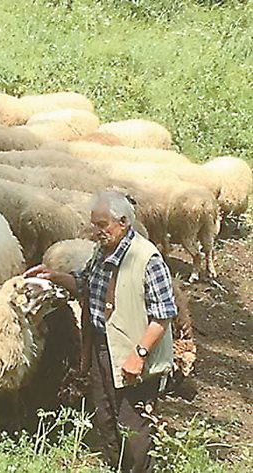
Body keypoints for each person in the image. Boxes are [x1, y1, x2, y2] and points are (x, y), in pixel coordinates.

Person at [24, 190, 177, 472]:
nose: (96, 231)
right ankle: (116, 467)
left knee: (132, 423)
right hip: (101, 348)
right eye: (94, 224)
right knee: (105, 417)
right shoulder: (103, 251)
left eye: (102, 225)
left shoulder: (147, 259)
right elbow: (84, 284)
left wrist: (139, 354)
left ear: (123, 222)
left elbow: (164, 314)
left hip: (131, 353)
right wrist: (54, 275)